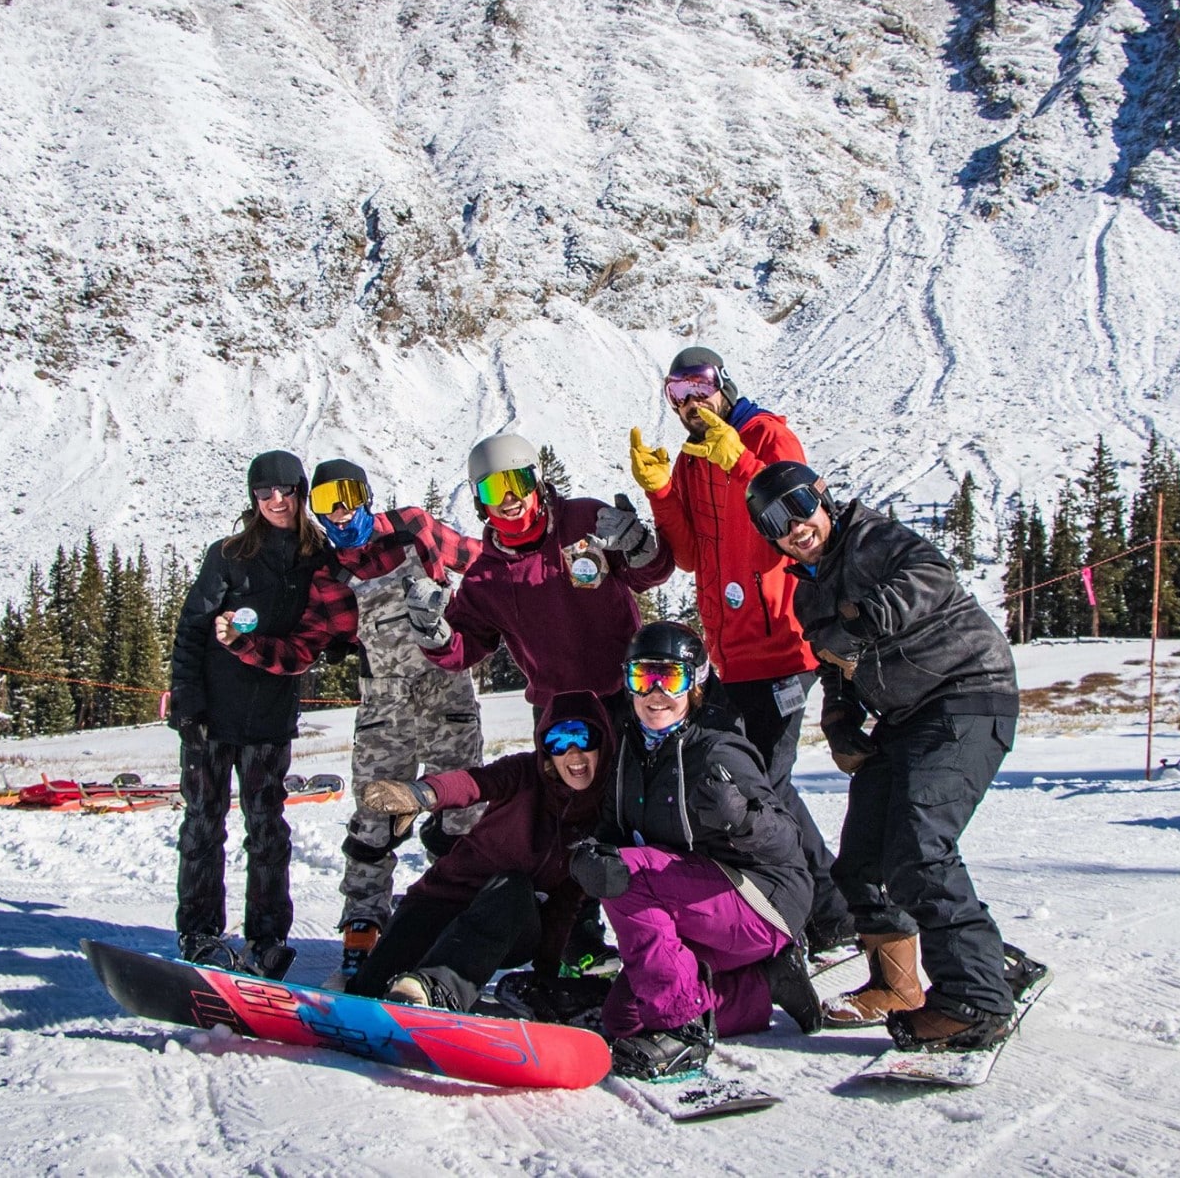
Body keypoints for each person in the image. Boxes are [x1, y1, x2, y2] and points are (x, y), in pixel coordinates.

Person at [745, 459, 1033, 1052]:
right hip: (905, 716)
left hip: (967, 694)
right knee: (863, 858)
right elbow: (835, 668)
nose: (795, 526)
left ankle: (975, 1001)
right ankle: (904, 982)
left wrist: (864, 621)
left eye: (800, 506)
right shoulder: (809, 591)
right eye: (775, 521)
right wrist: (842, 720)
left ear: (821, 498)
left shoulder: (873, 537)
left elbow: (930, 576)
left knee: (920, 850)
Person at [628, 345, 855, 952]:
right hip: (732, 653)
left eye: (699, 387)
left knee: (763, 785)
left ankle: (825, 912)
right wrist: (661, 491)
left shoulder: (767, 435)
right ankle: (831, 909)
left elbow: (797, 520)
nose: (690, 404)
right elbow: (689, 555)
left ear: (724, 384)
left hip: (783, 642)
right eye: (677, 394)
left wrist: (737, 459)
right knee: (755, 780)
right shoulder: (694, 459)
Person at [570, 622, 822, 1080]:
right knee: (623, 1021)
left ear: (696, 682)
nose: (655, 693)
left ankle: (682, 1028)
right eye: (642, 678)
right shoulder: (630, 750)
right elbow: (612, 828)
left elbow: (787, 839)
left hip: (763, 901)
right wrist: (589, 853)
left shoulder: (717, 751)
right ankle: (763, 986)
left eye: (671, 678)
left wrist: (744, 818)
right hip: (694, 905)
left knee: (632, 873)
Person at [165, 451, 359, 979]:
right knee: (203, 825)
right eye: (264, 492)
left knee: (268, 830)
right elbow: (192, 627)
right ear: (252, 498)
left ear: (301, 492)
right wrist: (186, 695)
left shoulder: (318, 557)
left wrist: (345, 644)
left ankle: (269, 937)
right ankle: (200, 932)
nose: (276, 501)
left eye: (286, 490)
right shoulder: (228, 555)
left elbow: (337, 618)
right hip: (212, 710)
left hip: (271, 714)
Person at [307, 457, 487, 986]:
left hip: (445, 688)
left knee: (462, 811)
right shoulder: (329, 573)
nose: (338, 513)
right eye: (324, 505)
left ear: (364, 494)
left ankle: (455, 929)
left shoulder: (413, 527)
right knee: (373, 820)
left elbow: (482, 563)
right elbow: (327, 637)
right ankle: (362, 933)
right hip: (383, 705)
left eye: (345, 497)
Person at [343, 691, 618, 1014]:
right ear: (546, 749)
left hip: (512, 924)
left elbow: (566, 904)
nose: (573, 753)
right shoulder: (523, 773)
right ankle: (380, 994)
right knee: (370, 988)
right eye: (559, 741)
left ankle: (439, 990)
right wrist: (422, 793)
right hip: (443, 901)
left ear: (603, 741)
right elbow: (474, 783)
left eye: (583, 738)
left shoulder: (602, 813)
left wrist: (545, 975)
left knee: (513, 886)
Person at [407, 431, 674, 711]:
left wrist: (641, 548)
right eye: (493, 489)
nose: (508, 498)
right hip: (558, 710)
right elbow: (464, 646)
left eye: (518, 482)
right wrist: (434, 635)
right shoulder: (485, 578)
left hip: (629, 693)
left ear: (537, 482)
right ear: (479, 500)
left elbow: (651, 576)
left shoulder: (586, 519)